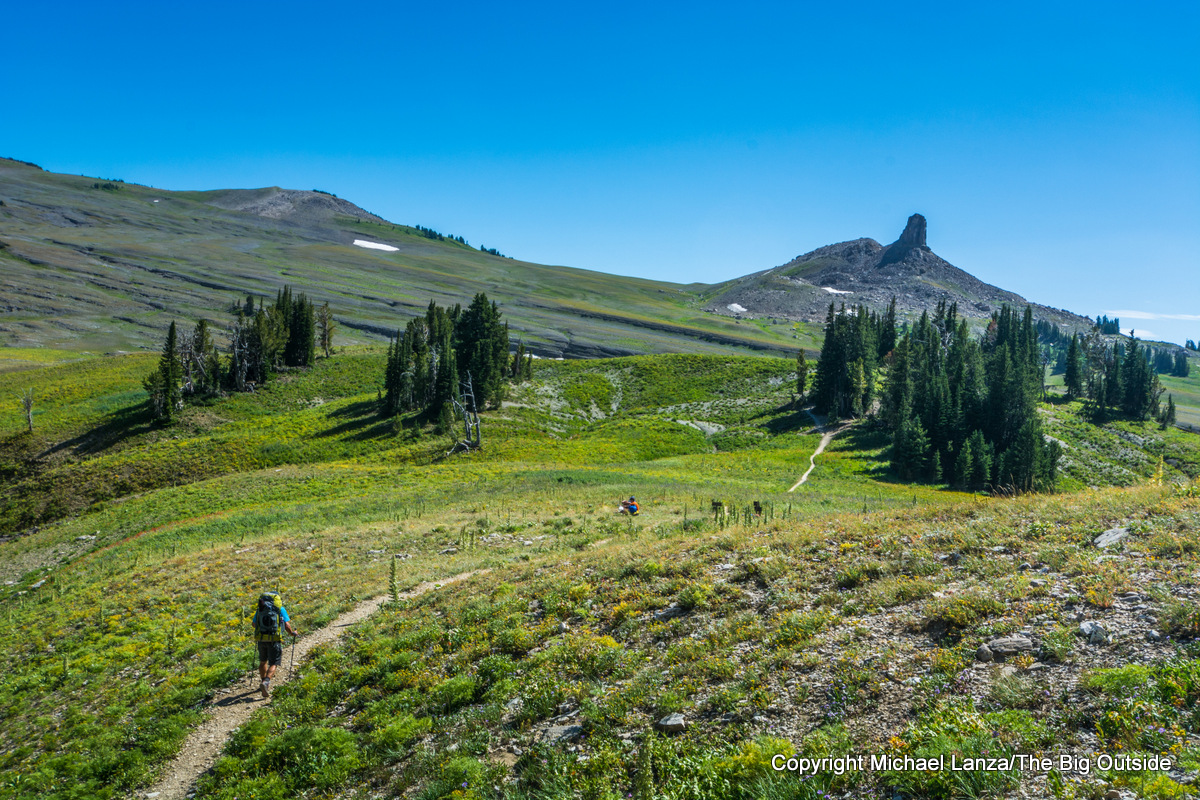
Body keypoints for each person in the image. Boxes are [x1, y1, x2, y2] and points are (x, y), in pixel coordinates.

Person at [252, 590, 298, 698]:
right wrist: (292, 633)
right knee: (274, 663)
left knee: (263, 661)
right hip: (274, 639)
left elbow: (254, 624)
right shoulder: (280, 609)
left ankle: (263, 681)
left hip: (261, 639)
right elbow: (286, 625)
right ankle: (266, 682)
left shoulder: (260, 609)